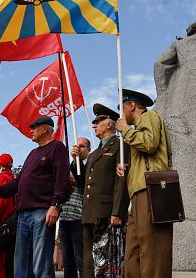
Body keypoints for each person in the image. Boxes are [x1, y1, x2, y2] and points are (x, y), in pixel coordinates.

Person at [0, 117, 72, 278]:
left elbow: (62, 180)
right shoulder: (32, 153)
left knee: (40, 263)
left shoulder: (57, 148)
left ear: (46, 129)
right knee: (21, 262)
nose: (31, 130)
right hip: (22, 215)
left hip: (42, 212)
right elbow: (16, 184)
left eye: (35, 127)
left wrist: (55, 205)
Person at [115, 89, 173, 278]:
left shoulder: (149, 117)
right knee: (134, 250)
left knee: (152, 250)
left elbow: (149, 143)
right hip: (139, 192)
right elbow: (145, 156)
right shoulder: (136, 129)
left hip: (151, 190)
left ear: (132, 105)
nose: (120, 115)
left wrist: (125, 130)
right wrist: (128, 168)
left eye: (121, 108)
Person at [74, 104, 129, 278]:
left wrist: (118, 212)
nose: (94, 126)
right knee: (89, 260)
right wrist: (76, 161)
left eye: (98, 122)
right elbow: (83, 183)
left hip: (107, 213)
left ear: (110, 125)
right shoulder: (94, 153)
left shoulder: (120, 145)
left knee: (108, 262)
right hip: (90, 213)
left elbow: (122, 181)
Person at [59, 137, 89, 278]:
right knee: (67, 260)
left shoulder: (89, 164)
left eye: (82, 146)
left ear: (88, 150)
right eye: (77, 145)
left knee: (81, 258)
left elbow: (84, 182)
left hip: (79, 217)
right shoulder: (68, 166)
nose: (79, 148)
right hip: (65, 216)